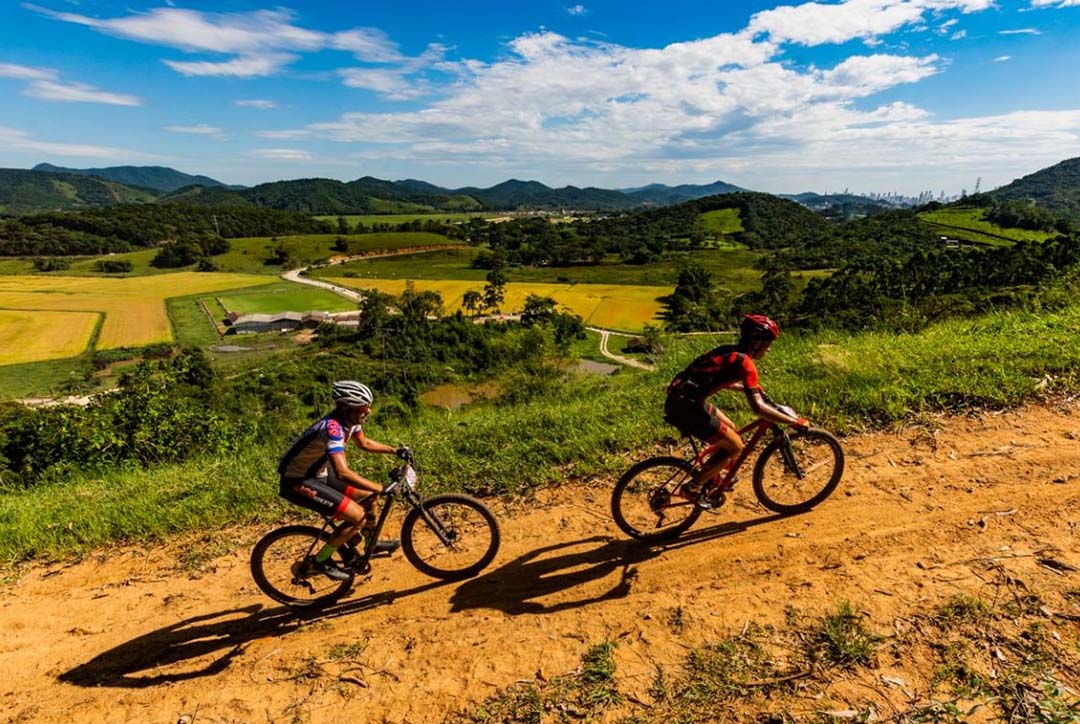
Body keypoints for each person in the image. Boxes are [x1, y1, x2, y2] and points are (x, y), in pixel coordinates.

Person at [664, 314, 807, 506]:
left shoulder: (728, 351)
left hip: (682, 400)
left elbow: (707, 377)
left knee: (730, 427)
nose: (769, 348)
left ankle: (715, 473)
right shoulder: (746, 363)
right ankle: (692, 488)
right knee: (736, 445)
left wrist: (745, 387)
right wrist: (793, 421)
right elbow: (758, 408)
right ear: (756, 343)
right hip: (687, 408)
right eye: (767, 343)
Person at [278, 380, 411, 581]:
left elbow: (364, 443)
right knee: (357, 516)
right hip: (298, 480)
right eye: (362, 408)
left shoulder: (351, 420)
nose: (368, 412)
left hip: (320, 472)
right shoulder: (332, 428)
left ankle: (370, 546)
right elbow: (343, 473)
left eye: (367, 407)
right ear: (345, 408)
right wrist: (382, 487)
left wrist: (395, 450)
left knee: (370, 498)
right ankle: (319, 561)